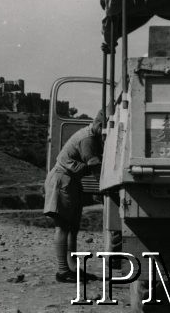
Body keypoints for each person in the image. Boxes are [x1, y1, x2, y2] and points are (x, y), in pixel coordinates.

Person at [44, 112, 103, 283]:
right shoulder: (88, 139)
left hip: (72, 180)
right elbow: (93, 165)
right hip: (63, 179)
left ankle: (73, 269)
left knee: (72, 228)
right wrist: (104, 189)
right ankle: (63, 271)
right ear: (100, 125)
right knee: (63, 226)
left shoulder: (92, 136)